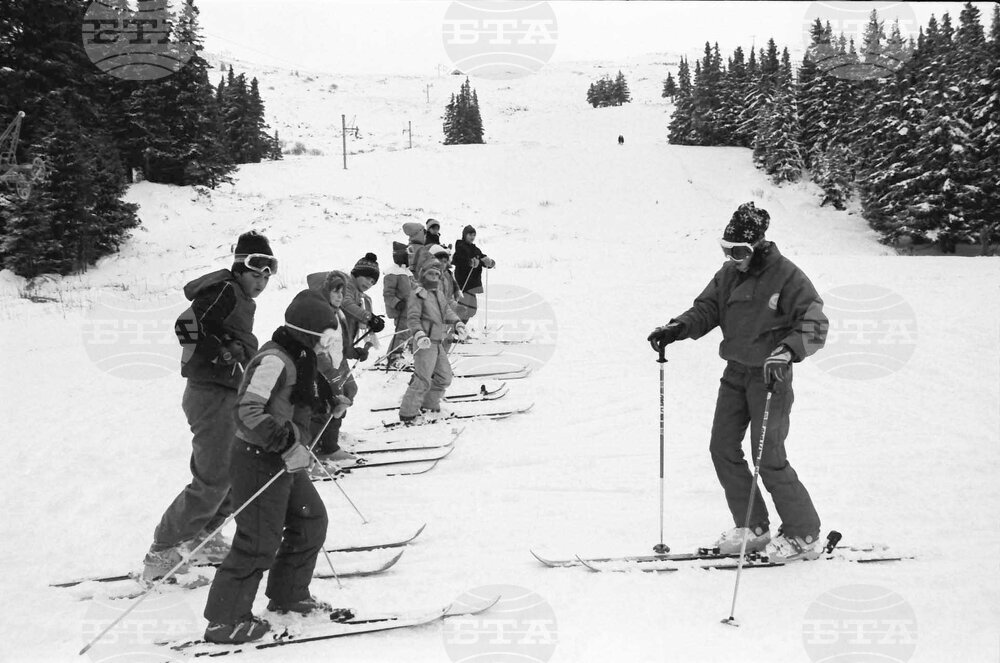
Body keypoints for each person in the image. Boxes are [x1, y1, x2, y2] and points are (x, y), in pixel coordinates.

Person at [646, 202, 829, 563]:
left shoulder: (788, 277)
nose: (734, 258)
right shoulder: (728, 274)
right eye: (727, 250)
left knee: (769, 457)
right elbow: (707, 308)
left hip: (770, 376)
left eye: (740, 251)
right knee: (722, 447)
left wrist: (787, 351)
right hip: (735, 373)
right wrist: (678, 327)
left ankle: (803, 532)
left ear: (759, 244)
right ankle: (753, 526)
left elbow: (814, 322)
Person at [202, 289, 350, 644]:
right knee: (258, 540)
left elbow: (298, 397)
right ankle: (224, 622)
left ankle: (288, 594)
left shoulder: (299, 357)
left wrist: (330, 403)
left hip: (283, 456)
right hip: (258, 458)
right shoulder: (275, 361)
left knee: (310, 519)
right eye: (325, 338)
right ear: (307, 333)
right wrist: (285, 443)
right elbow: (248, 410)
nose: (325, 347)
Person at [142, 231, 274, 582]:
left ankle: (205, 535)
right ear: (240, 268)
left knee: (234, 472)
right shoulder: (226, 290)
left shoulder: (239, 296)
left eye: (266, 276)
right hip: (209, 393)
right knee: (213, 478)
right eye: (255, 273)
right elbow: (187, 325)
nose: (260, 282)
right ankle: (163, 550)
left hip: (227, 391)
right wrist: (221, 349)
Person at [398, 256, 466, 424]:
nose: (435, 278)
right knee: (422, 379)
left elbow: (447, 311)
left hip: (437, 341)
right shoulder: (418, 294)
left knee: (444, 376)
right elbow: (413, 318)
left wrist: (458, 323)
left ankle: (429, 404)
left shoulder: (439, 294)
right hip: (425, 342)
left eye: (437, 275)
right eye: (431, 274)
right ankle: (408, 413)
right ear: (423, 275)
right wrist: (420, 335)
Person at [305, 271, 360, 462]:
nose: (340, 296)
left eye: (342, 292)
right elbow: (318, 349)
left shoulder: (340, 314)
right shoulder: (319, 316)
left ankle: (330, 445)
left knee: (348, 391)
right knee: (323, 406)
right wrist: (330, 373)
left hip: (338, 365)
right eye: (335, 291)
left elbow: (341, 343)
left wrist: (354, 352)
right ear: (323, 291)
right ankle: (315, 449)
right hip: (321, 369)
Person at [340, 253, 385, 350]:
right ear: (357, 274)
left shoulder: (356, 293)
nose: (369, 283)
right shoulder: (345, 285)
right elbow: (345, 303)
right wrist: (369, 317)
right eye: (367, 278)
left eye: (372, 282)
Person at [452, 225, 495, 324]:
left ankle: (460, 329)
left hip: (472, 282)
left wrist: (489, 262)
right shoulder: (460, 247)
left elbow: (481, 257)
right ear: (464, 235)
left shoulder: (474, 248)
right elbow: (458, 260)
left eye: (474, 235)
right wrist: (470, 262)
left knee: (471, 309)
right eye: (470, 234)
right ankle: (456, 331)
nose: (472, 237)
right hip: (464, 281)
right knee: (463, 308)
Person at [382, 248, 414, 369]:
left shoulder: (406, 272)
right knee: (401, 333)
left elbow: (414, 288)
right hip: (401, 309)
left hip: (410, 308)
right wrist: (396, 303)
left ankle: (397, 354)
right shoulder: (393, 273)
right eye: (408, 257)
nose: (410, 259)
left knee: (407, 332)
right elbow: (388, 293)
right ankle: (393, 356)